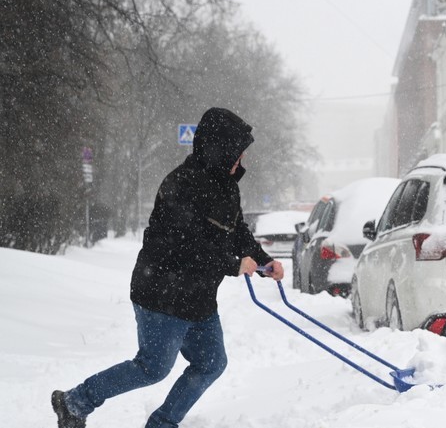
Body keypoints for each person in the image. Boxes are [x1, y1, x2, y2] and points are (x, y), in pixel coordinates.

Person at [51, 108, 284, 428]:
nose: (241, 161)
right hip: (162, 293)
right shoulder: (181, 184)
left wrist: (262, 260)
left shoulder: (227, 186)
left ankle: (162, 423)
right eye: (237, 153)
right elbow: (185, 246)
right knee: (152, 368)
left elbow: (236, 230)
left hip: (198, 298)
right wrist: (233, 264)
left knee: (212, 363)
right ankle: (74, 402)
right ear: (219, 149)